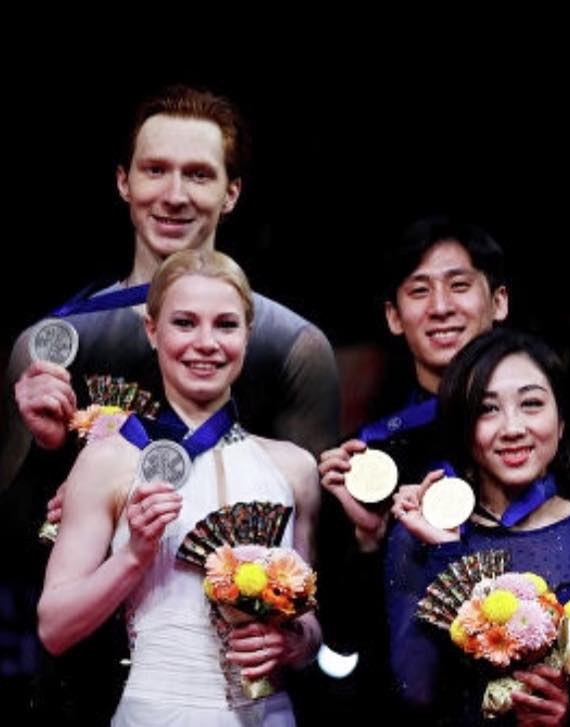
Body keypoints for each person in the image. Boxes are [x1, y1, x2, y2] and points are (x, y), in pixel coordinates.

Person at [0, 85, 338, 724]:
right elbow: (16, 559)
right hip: (90, 685)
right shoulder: (50, 345)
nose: (175, 194)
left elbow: (315, 573)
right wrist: (49, 456)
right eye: (155, 169)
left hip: (253, 694)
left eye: (199, 174)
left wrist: (299, 637)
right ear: (123, 182)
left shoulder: (293, 346)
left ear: (231, 192)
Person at [37, 249, 322, 726]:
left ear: (248, 334)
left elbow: (310, 624)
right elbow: (54, 628)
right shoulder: (109, 460)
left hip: (271, 714)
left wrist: (294, 641)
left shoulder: (294, 467)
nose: (205, 343)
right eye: (185, 323)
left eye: (226, 325)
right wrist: (134, 556)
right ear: (153, 331)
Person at [386, 328, 570, 725]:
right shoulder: (420, 537)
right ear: (463, 427)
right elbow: (417, 690)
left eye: (531, 404)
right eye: (487, 409)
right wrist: (447, 551)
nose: (512, 428)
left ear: (561, 422)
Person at [313, 217, 509, 720]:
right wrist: (366, 540)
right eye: (419, 291)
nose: (440, 307)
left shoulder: (545, 436)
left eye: (459, 285)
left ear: (499, 302)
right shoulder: (364, 462)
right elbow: (342, 644)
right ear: (394, 317)